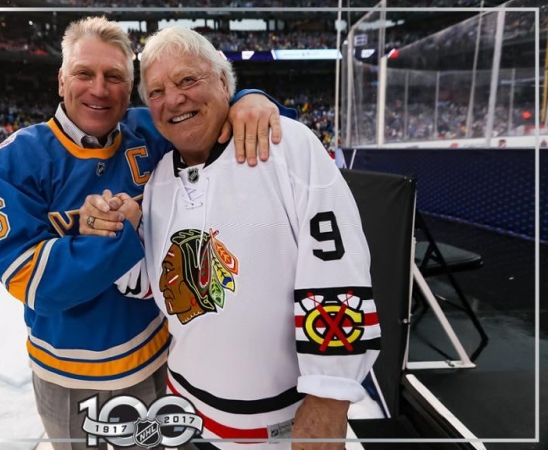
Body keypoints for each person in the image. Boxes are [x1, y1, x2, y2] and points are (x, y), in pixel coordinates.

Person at [0, 16, 291, 450]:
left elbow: (213, 111)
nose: (99, 89)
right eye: (84, 73)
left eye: (114, 77)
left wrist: (249, 100)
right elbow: (31, 281)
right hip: (76, 381)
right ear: (61, 79)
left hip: (168, 359)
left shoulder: (152, 129)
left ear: (130, 88)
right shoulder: (13, 161)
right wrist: (118, 238)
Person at [80, 27, 380, 450]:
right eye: (157, 91)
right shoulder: (160, 176)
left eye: (187, 80)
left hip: (285, 425)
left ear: (224, 83)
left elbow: (338, 273)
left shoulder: (287, 145)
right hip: (185, 413)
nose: (173, 99)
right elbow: (155, 286)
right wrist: (116, 235)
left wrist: (329, 397)